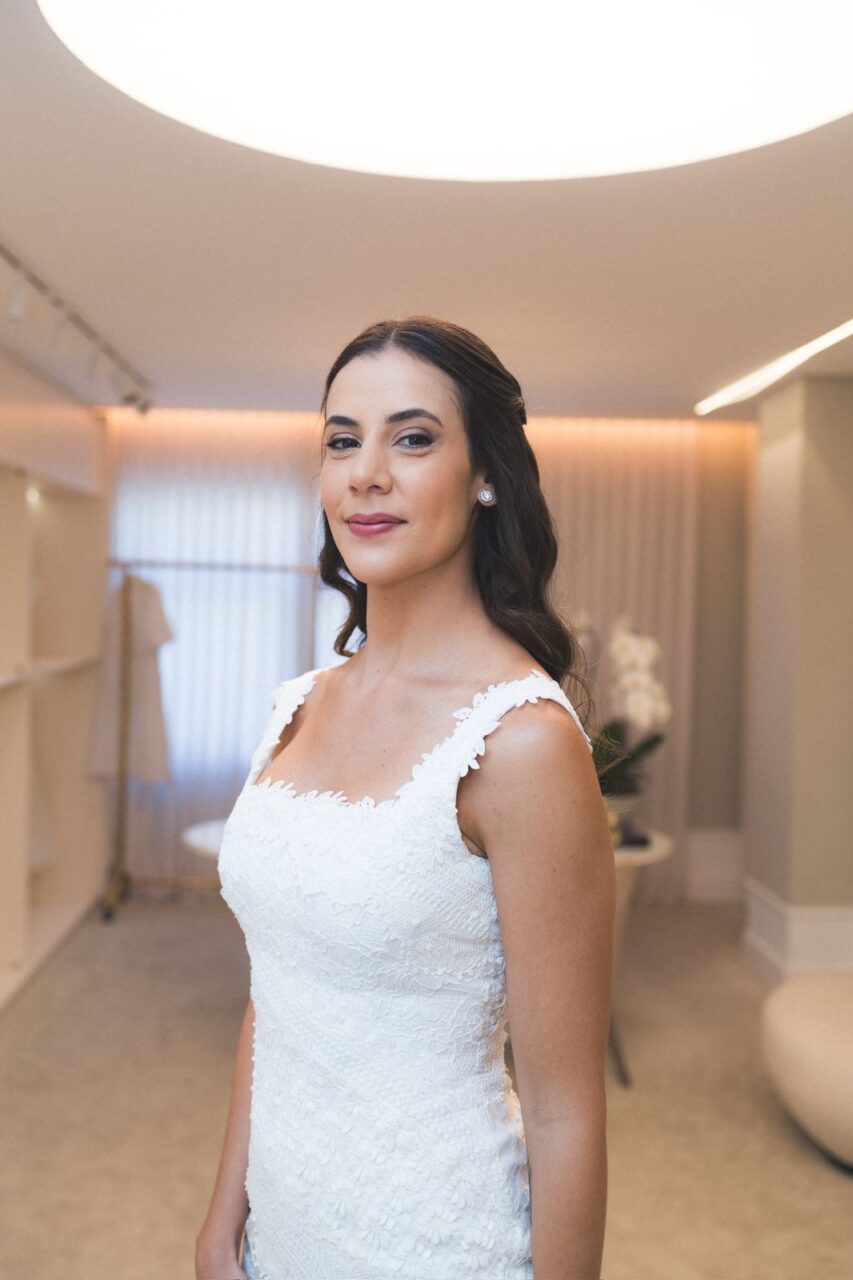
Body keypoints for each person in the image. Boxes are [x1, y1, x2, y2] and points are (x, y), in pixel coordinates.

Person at [196, 316, 615, 1280]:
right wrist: (224, 1220)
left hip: (436, 1244)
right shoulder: (296, 705)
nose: (366, 474)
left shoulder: (520, 741)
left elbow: (563, 1108)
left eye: (413, 438)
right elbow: (278, 987)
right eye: (342, 441)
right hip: (280, 1231)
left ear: (485, 476)